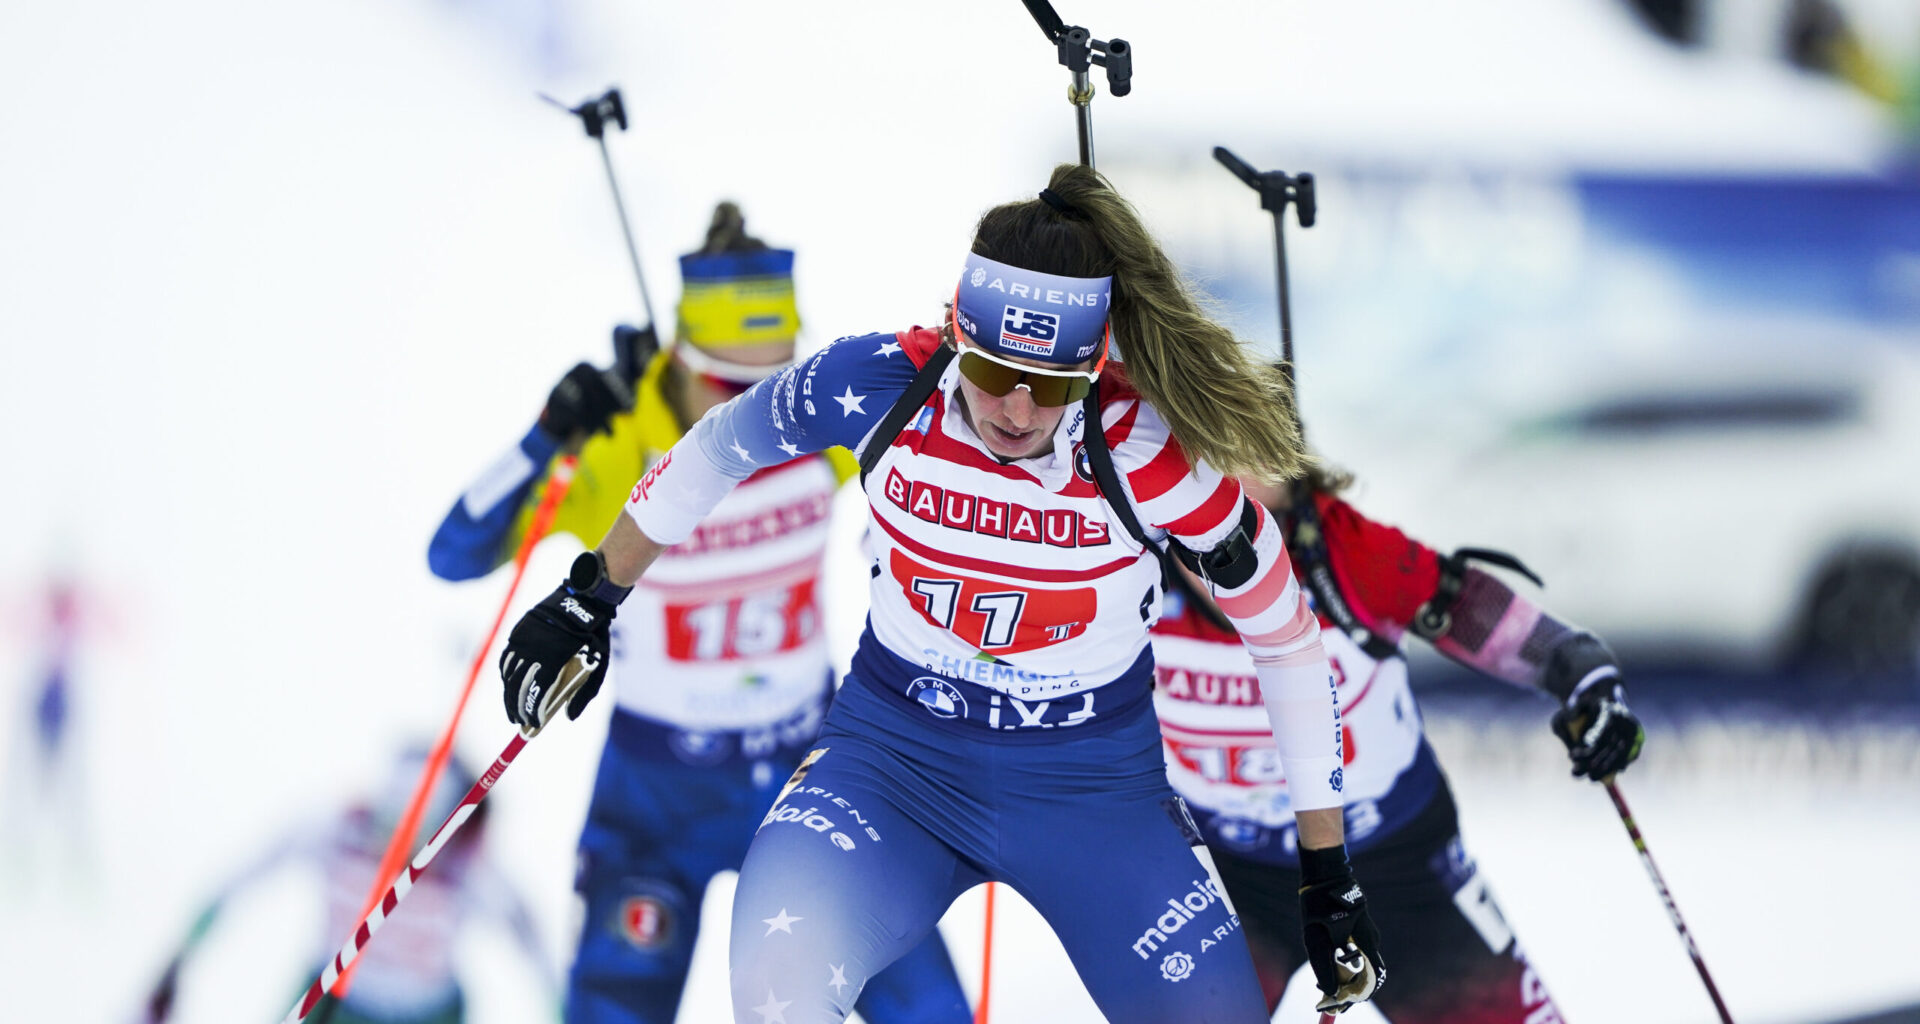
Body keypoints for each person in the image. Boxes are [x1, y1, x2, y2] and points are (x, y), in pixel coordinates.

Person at [494, 164, 1387, 1024]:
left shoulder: (1149, 455)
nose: (1017, 410)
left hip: (1093, 791)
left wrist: (1328, 870)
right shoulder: (882, 385)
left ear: (1096, 366)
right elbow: (722, 442)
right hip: (893, 765)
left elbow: (1286, 640)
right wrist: (591, 594)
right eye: (995, 372)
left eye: (1055, 386)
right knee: (777, 982)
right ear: (956, 330)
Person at [429, 203, 969, 1024]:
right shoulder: (621, 451)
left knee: (931, 1011)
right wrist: (548, 435)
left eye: (776, 382)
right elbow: (455, 554)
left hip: (811, 774)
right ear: (682, 361)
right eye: (729, 385)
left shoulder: (817, 426)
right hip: (657, 796)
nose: (759, 412)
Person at [1151, 465, 1646, 1022]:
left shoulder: (1353, 555)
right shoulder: (1127, 566)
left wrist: (1592, 690)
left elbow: (1537, 642)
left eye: (1248, 450)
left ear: (1289, 468)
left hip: (1393, 866)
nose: (1225, 485)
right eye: (1200, 453)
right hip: (1229, 875)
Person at [136, 748, 552, 1024]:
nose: (398, 842)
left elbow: (530, 943)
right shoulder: (337, 832)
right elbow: (241, 878)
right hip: (332, 1002)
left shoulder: (467, 868)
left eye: (421, 828)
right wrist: (177, 960)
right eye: (392, 818)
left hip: (426, 1015)